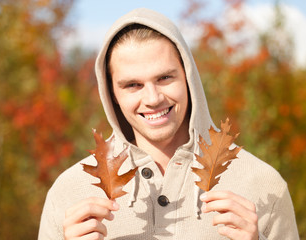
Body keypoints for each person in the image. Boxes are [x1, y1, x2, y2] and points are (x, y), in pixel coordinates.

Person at [38, 8, 299, 240]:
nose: (152, 99)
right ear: (112, 95)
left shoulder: (262, 185)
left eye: (164, 78)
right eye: (133, 85)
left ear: (188, 79)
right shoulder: (69, 192)